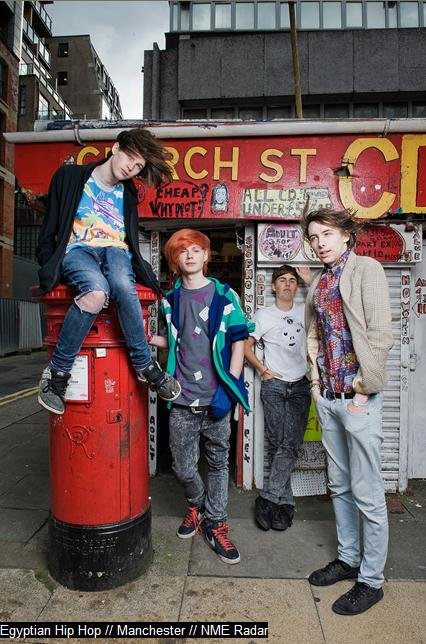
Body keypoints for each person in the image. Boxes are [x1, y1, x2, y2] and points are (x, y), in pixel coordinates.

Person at [36, 128, 181, 415]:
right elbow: (50, 225)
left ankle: (144, 365)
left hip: (115, 250)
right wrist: (47, 261)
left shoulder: (128, 193)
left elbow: (128, 239)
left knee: (123, 286)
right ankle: (56, 375)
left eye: (138, 166)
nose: (130, 167)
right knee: (96, 293)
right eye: (129, 157)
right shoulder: (70, 177)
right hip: (78, 250)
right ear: (116, 148)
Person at [302, 207, 393, 616]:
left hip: (358, 400)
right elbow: (315, 337)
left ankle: (371, 580)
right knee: (338, 485)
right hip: (328, 399)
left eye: (326, 234)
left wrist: (362, 392)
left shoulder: (366, 270)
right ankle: (348, 559)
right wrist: (316, 387)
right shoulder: (320, 282)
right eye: (313, 237)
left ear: (344, 234)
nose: (319, 242)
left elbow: (380, 336)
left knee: (368, 494)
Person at [149, 228, 253, 565]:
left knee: (219, 462)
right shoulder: (171, 301)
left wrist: (229, 386)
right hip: (181, 397)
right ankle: (197, 504)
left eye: (196, 249)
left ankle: (216, 523)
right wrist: (144, 337)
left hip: (216, 395)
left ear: (206, 256)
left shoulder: (224, 295)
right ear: (175, 260)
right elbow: (172, 342)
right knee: (182, 466)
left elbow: (238, 340)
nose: (190, 255)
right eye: (183, 251)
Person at [244, 265, 311, 532]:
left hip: (300, 385)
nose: (287, 284)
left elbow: (328, 307)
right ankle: (285, 504)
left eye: (292, 280)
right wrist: (262, 369)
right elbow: (246, 346)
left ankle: (268, 499)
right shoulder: (264, 315)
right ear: (273, 286)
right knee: (276, 443)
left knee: (290, 444)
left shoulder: (305, 310)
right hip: (273, 385)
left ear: (296, 286)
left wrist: (310, 281)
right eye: (282, 280)